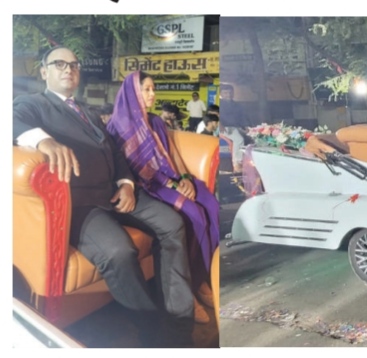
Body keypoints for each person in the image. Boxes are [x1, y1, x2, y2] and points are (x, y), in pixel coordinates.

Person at [12, 46, 195, 347]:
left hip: (115, 193)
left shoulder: (87, 112)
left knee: (172, 222)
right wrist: (43, 140)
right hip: (80, 203)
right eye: (59, 64)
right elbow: (11, 121)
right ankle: (152, 331)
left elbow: (114, 152)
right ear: (44, 72)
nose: (68, 69)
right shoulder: (32, 104)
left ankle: (178, 316)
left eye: (74, 64)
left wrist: (126, 183)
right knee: (118, 251)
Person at [106, 71, 220, 326]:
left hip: (172, 178)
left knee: (212, 205)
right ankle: (190, 287)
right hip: (149, 186)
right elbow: (132, 170)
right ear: (132, 92)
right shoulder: (118, 126)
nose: (152, 94)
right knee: (194, 213)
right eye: (146, 89)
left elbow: (173, 155)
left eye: (153, 89)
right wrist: (172, 183)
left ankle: (202, 278)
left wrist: (185, 179)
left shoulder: (156, 121)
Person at [219, 85, 249, 173]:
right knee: (239, 139)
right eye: (225, 93)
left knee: (252, 136)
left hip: (237, 127)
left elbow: (242, 117)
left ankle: (248, 163)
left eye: (230, 92)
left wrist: (246, 127)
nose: (228, 95)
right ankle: (237, 164)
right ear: (221, 94)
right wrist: (219, 124)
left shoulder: (237, 105)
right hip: (224, 128)